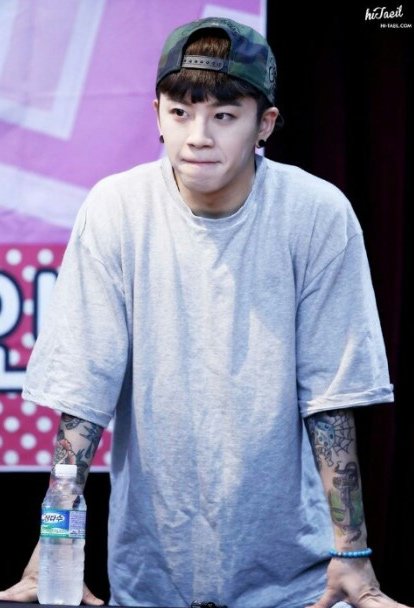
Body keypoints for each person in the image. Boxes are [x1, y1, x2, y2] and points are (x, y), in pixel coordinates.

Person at [0, 16, 408, 608]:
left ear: (264, 123)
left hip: (294, 582)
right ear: (157, 115)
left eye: (224, 115)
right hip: (150, 576)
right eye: (180, 112)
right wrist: (53, 540)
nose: (198, 136)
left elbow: (330, 397)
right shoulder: (116, 208)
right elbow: (84, 388)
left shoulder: (317, 213)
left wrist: (352, 551)